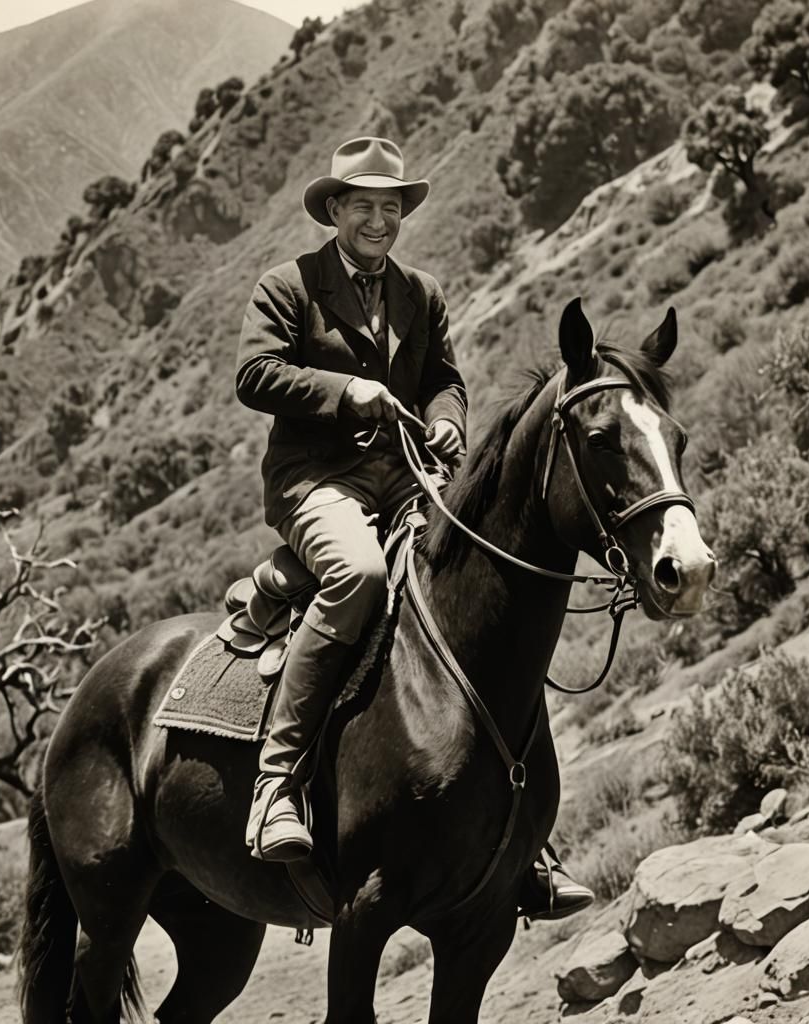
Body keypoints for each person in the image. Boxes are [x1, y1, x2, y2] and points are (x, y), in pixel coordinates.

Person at [235, 136, 593, 920]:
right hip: (315, 480)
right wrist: (348, 393)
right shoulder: (287, 286)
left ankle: (524, 836)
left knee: (480, 583)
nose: (377, 219)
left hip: (408, 474)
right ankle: (276, 783)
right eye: (362, 205)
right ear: (334, 211)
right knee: (359, 575)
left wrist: (447, 425)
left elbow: (445, 380)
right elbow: (254, 375)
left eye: (389, 208)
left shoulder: (419, 292)